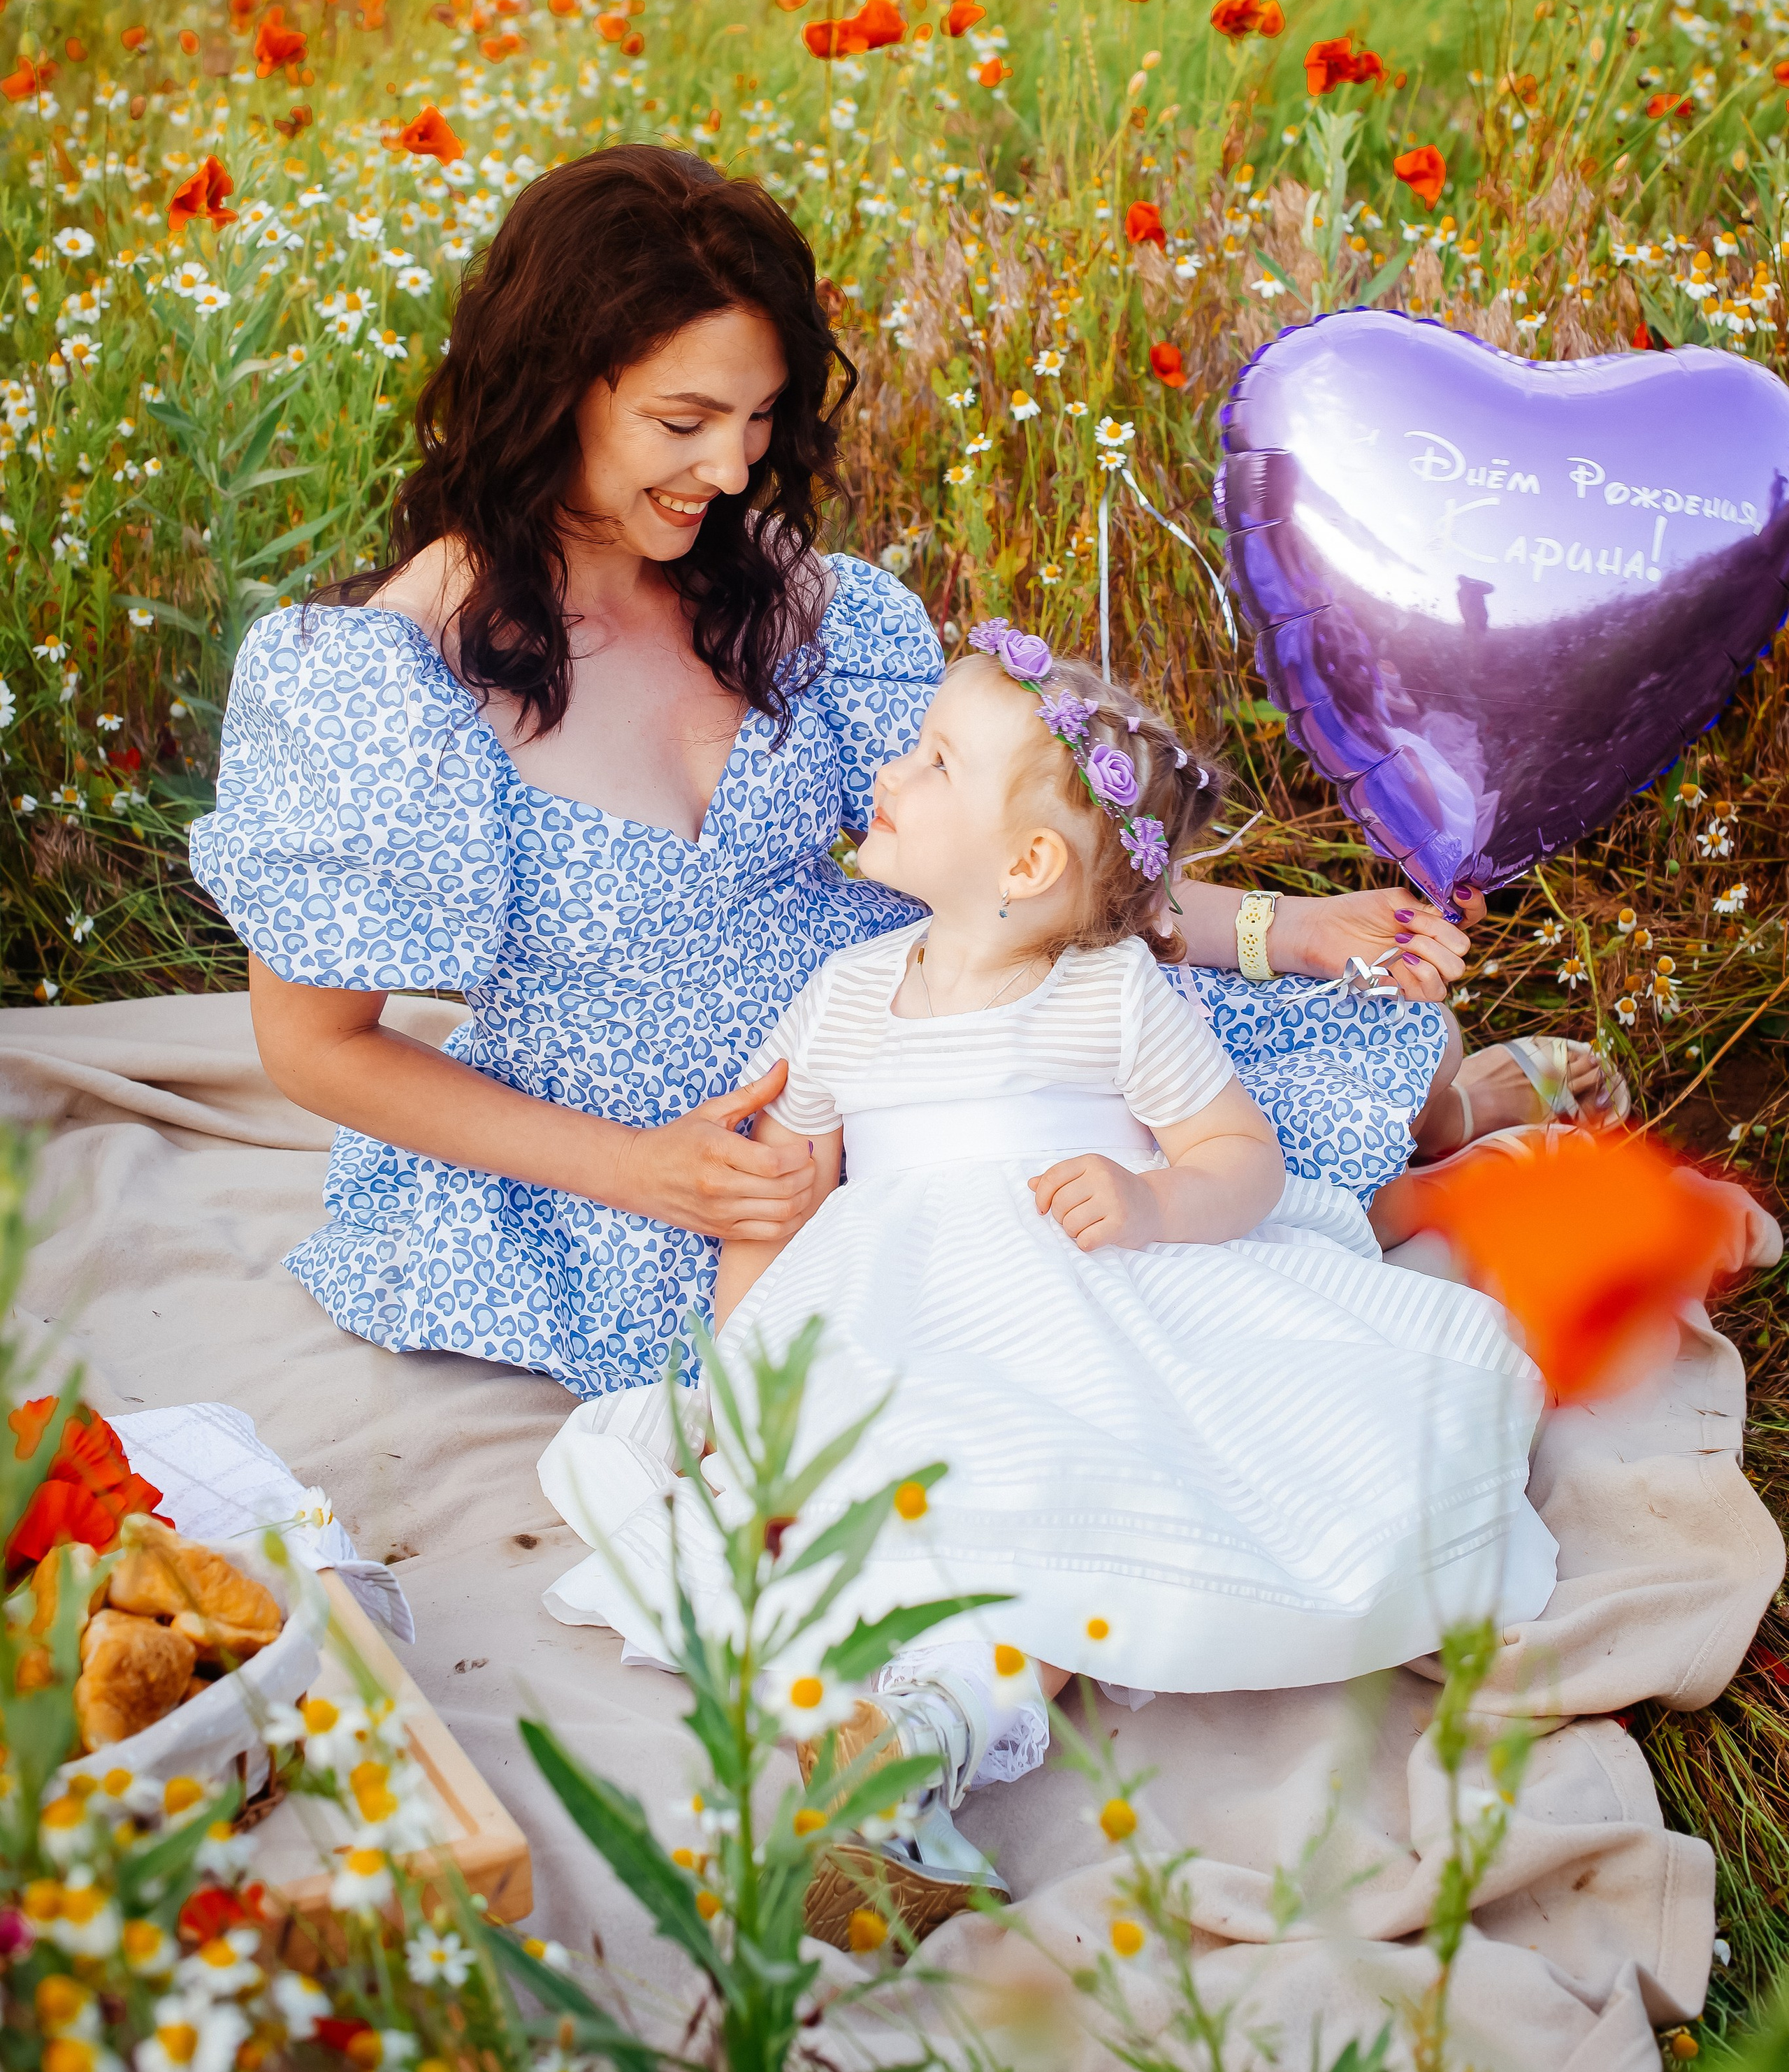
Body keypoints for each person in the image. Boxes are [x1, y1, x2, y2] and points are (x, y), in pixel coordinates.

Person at [188, 145, 1609, 1399]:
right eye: (684, 425)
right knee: (977, 1303)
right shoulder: (378, 683)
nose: (733, 473)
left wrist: (1275, 929)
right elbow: (312, 1047)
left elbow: (992, 849)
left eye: (757, 422)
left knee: (1176, 1120)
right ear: (550, 386)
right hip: (666, 1148)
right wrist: (647, 1173)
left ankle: (1432, 1142)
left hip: (921, 1007)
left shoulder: (780, 595)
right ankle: (1433, 1181)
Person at [535, 625, 1573, 1943]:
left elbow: (1238, 1157)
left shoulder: (1109, 996)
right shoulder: (845, 996)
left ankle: (915, 1744)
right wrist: (745, 1357)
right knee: (910, 1517)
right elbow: (779, 1192)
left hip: (1080, 1303)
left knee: (1056, 1509)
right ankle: (902, 1758)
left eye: (933, 762)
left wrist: (1151, 1202)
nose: (892, 773)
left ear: (1027, 865)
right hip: (898, 1315)